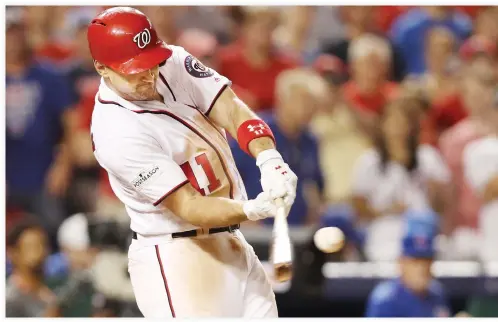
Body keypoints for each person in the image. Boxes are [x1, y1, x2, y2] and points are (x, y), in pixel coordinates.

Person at [86, 7, 297, 318]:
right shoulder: (115, 132)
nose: (148, 74)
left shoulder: (172, 60)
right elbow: (188, 207)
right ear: (102, 68)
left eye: (151, 63)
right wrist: (252, 209)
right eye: (134, 69)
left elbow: (232, 108)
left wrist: (268, 157)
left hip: (230, 240)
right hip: (176, 255)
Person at [6, 9, 76, 246]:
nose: (12, 42)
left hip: (44, 175)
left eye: (16, 34)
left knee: (51, 235)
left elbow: (71, 126)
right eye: (7, 35)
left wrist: (63, 166)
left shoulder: (49, 76)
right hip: (8, 174)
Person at [232, 68, 327, 226]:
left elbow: (314, 186)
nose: (311, 108)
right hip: (255, 227)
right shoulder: (257, 131)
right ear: (283, 99)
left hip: (296, 228)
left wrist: (313, 219)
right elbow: (226, 175)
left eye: (314, 102)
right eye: (304, 101)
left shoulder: (311, 140)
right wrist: (241, 216)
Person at [365, 210, 451, 317]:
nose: (422, 268)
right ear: (401, 263)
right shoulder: (385, 300)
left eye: (426, 260)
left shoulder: (437, 294)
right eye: (415, 261)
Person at [6, 220, 60, 317]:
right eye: (32, 247)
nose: (40, 252)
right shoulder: (9, 299)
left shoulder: (50, 292)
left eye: (43, 245)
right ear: (13, 253)